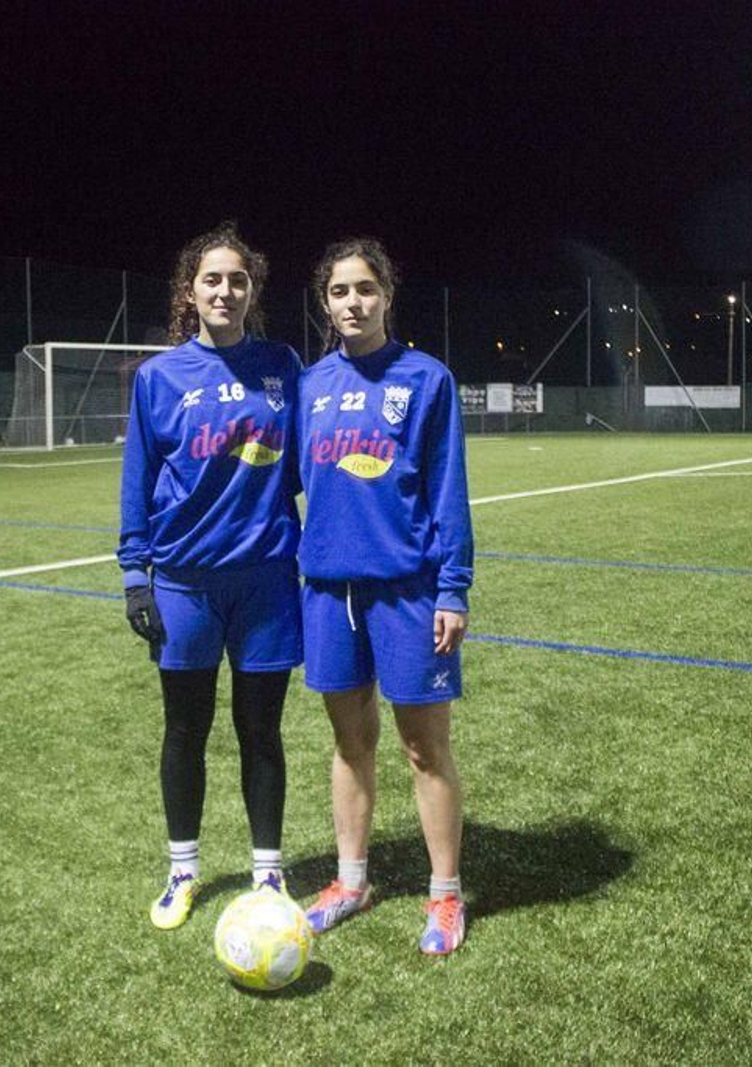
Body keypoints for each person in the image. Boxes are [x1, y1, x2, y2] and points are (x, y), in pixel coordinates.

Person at [118, 224, 305, 930]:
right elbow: (137, 478)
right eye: (211, 279)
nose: (224, 290)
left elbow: (305, 467)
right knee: (185, 729)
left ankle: (267, 872)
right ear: (189, 292)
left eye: (237, 280)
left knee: (262, 730)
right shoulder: (159, 378)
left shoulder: (282, 365)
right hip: (185, 583)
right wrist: (136, 575)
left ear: (251, 291)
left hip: (265, 580)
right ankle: (184, 870)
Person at [296, 237, 474, 956]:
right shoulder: (310, 386)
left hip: (408, 591)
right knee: (350, 741)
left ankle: (445, 893)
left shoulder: (426, 379)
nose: (352, 302)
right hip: (328, 590)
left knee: (423, 746)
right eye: (339, 291)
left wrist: (452, 588)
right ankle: (351, 880)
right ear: (325, 302)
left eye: (364, 289)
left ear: (386, 296)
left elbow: (447, 491)